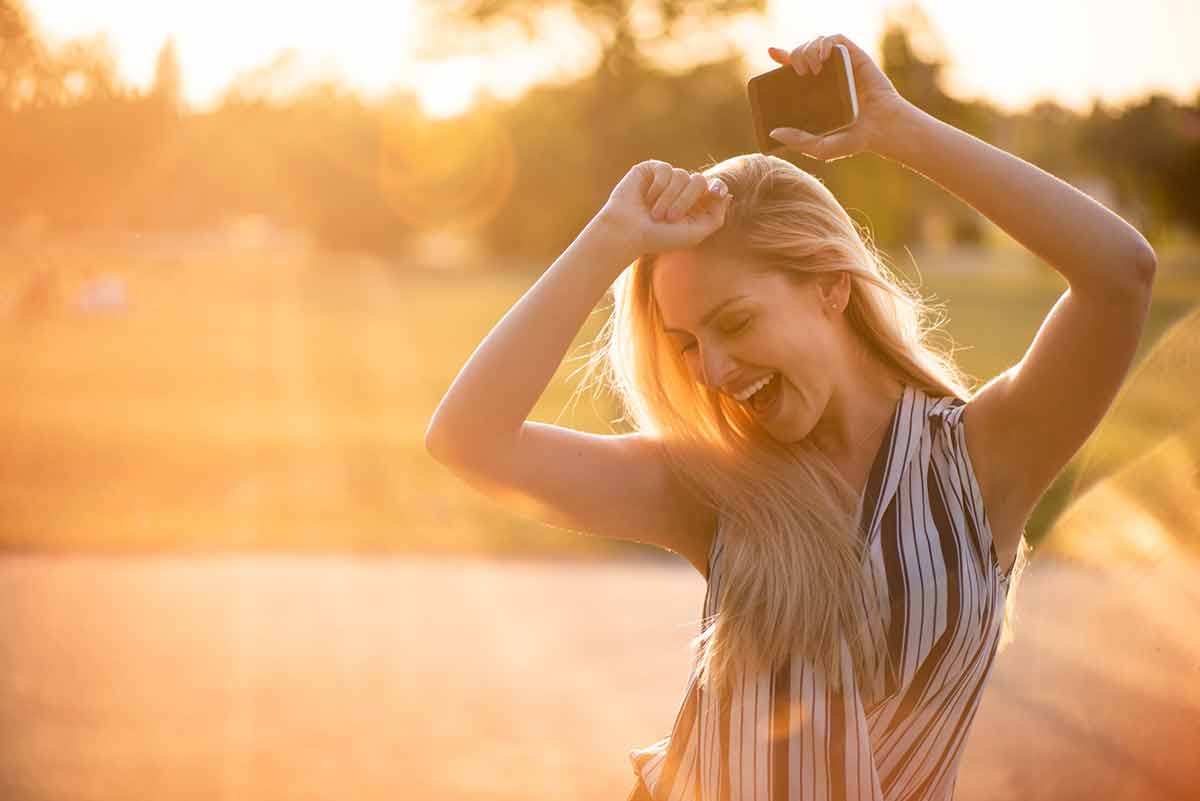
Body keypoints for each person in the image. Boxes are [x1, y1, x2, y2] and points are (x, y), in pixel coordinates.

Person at [425, 33, 1157, 801]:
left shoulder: (979, 462)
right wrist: (610, 237)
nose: (710, 371)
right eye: (686, 343)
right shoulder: (715, 485)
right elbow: (467, 439)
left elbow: (1119, 273)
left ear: (830, 287)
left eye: (734, 323)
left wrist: (899, 130)